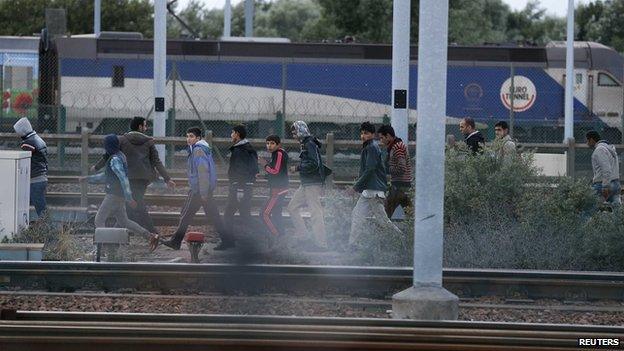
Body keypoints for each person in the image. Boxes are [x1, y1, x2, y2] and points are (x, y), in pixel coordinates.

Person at [92, 116, 175, 234]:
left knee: (133, 207)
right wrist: (167, 178)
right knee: (135, 207)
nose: (146, 128)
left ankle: (119, 234)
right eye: (145, 125)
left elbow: (108, 155)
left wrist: (96, 167)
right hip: (142, 180)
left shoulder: (122, 140)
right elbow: (157, 162)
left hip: (127, 178)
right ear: (140, 127)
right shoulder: (149, 142)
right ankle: (151, 233)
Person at [161, 127, 231, 250]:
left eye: (191, 136)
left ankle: (176, 241)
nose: (188, 139)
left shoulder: (198, 150)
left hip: (199, 190)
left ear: (198, 138)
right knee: (213, 216)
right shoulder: (198, 149)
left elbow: (203, 172)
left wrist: (203, 193)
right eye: (187, 136)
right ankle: (227, 240)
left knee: (186, 215)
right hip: (200, 189)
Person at [85, 134, 158, 250]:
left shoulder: (115, 160)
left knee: (98, 220)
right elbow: (106, 176)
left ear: (108, 146)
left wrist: (129, 198)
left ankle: (104, 247)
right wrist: (88, 179)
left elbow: (123, 179)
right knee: (124, 221)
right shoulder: (120, 156)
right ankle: (150, 236)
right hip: (119, 196)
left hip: (113, 195)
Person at [348, 122, 402, 247]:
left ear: (373, 134)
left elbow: (370, 169)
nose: (363, 136)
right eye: (361, 133)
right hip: (369, 191)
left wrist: (355, 187)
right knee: (357, 215)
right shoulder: (369, 147)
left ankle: (402, 239)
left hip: (374, 190)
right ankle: (354, 245)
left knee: (382, 220)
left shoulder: (372, 147)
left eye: (366, 133)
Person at [287, 121, 329, 251]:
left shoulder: (309, 143)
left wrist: (297, 168)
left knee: (315, 212)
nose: (293, 135)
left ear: (301, 130)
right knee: (292, 207)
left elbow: (314, 164)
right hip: (307, 183)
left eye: (295, 132)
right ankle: (304, 237)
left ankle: (321, 244)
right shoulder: (306, 143)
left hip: (312, 183)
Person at [221, 124, 259, 250]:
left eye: (232, 133)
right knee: (245, 216)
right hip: (246, 187)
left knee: (228, 215)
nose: (231, 135)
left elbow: (241, 171)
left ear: (237, 134)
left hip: (239, 188)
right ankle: (265, 235)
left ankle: (228, 242)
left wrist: (239, 190)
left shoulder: (239, 150)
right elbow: (254, 169)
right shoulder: (248, 148)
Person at [13, 117, 49, 218]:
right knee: (40, 207)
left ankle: (48, 229)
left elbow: (23, 158)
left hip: (34, 180)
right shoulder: (39, 139)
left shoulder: (28, 143)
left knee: (40, 209)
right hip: (42, 177)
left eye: (18, 132)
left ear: (22, 131)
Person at [258, 135, 289, 246]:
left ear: (278, 144)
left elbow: (275, 171)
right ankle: (281, 236)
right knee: (276, 214)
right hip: (278, 189)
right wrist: (264, 176)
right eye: (267, 143)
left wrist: (264, 165)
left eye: (272, 143)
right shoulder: (276, 154)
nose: (269, 146)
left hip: (278, 190)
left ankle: (277, 237)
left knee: (264, 214)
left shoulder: (279, 153)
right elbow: (278, 172)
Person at [377, 124, 412, 218]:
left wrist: (388, 169)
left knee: (385, 215)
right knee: (410, 213)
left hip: (399, 186)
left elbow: (402, 168)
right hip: (402, 185)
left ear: (388, 136)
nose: (381, 141)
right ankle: (414, 229)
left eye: (381, 138)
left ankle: (384, 231)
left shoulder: (397, 148)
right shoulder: (396, 146)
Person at [586, 130, 621, 206]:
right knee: (617, 212)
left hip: (603, 184)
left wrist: (605, 185)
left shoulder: (599, 150)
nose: (587, 144)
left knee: (588, 207)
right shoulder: (611, 150)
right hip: (616, 184)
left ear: (591, 140)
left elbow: (606, 169)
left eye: (587, 141)